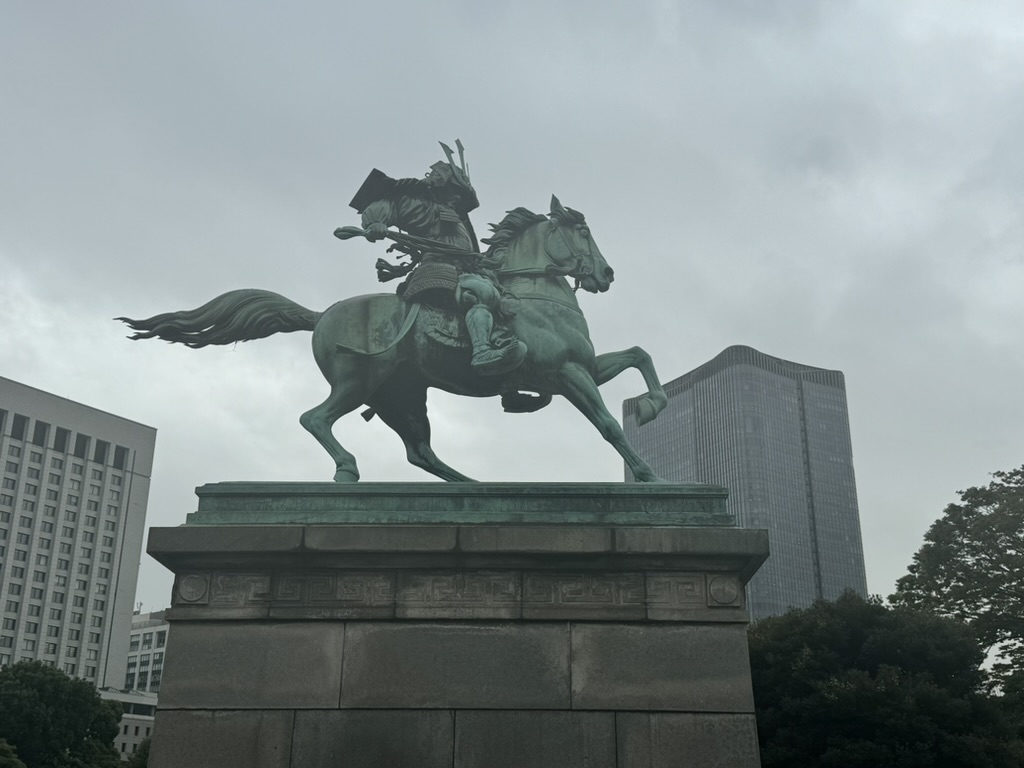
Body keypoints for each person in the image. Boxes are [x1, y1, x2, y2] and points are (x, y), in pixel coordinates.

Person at [348, 142, 526, 376]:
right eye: (455, 192)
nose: (456, 198)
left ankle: (510, 371)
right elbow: (384, 206)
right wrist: (375, 224)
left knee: (508, 304)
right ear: (445, 187)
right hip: (440, 270)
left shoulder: (459, 219)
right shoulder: (420, 205)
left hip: (466, 270)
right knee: (480, 294)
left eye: (459, 195)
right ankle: (482, 351)